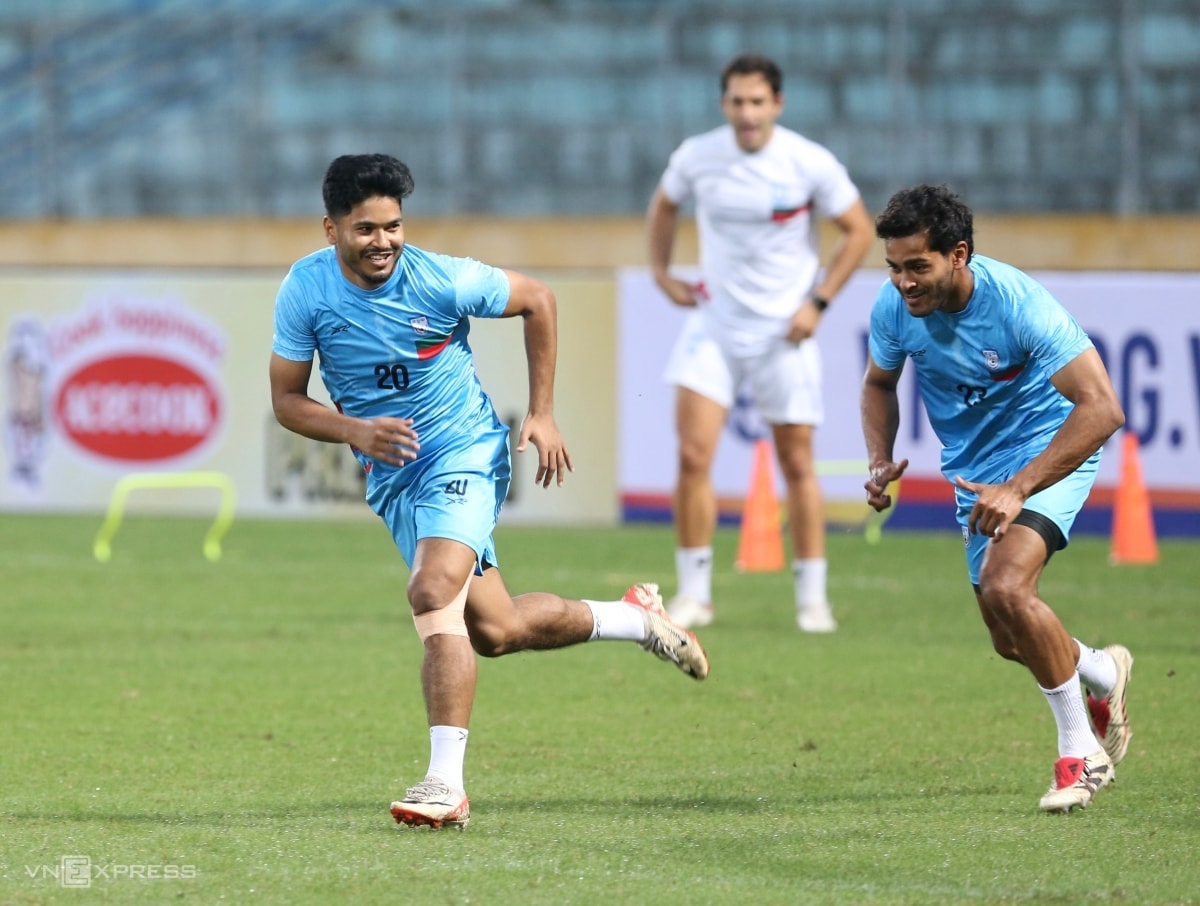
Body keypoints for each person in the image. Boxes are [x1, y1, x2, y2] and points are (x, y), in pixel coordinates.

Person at [269, 153, 709, 831]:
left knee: (430, 590)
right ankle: (635, 617)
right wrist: (354, 429)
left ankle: (444, 784)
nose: (384, 241)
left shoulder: (441, 279)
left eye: (393, 226)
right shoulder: (305, 290)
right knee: (496, 631)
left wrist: (542, 412)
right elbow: (287, 401)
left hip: (465, 450)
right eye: (366, 229)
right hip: (394, 474)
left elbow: (538, 299)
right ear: (331, 230)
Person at [861, 184, 1134, 813]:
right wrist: (879, 457)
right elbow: (878, 384)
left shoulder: (1017, 304)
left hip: (1047, 451)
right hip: (976, 474)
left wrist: (1019, 487)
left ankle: (1082, 754)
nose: (904, 283)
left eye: (917, 266)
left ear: (958, 254)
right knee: (1010, 637)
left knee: (1009, 586)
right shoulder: (894, 308)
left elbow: (1103, 409)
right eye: (894, 268)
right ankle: (1102, 670)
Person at [646, 53, 874, 634]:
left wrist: (818, 302)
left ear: (777, 104)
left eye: (757, 102)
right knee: (692, 456)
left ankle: (812, 600)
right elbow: (664, 205)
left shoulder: (808, 161)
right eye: (737, 102)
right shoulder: (698, 156)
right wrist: (661, 273)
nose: (747, 113)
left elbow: (859, 230)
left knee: (797, 464)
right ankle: (694, 594)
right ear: (723, 104)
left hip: (783, 333)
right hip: (715, 325)